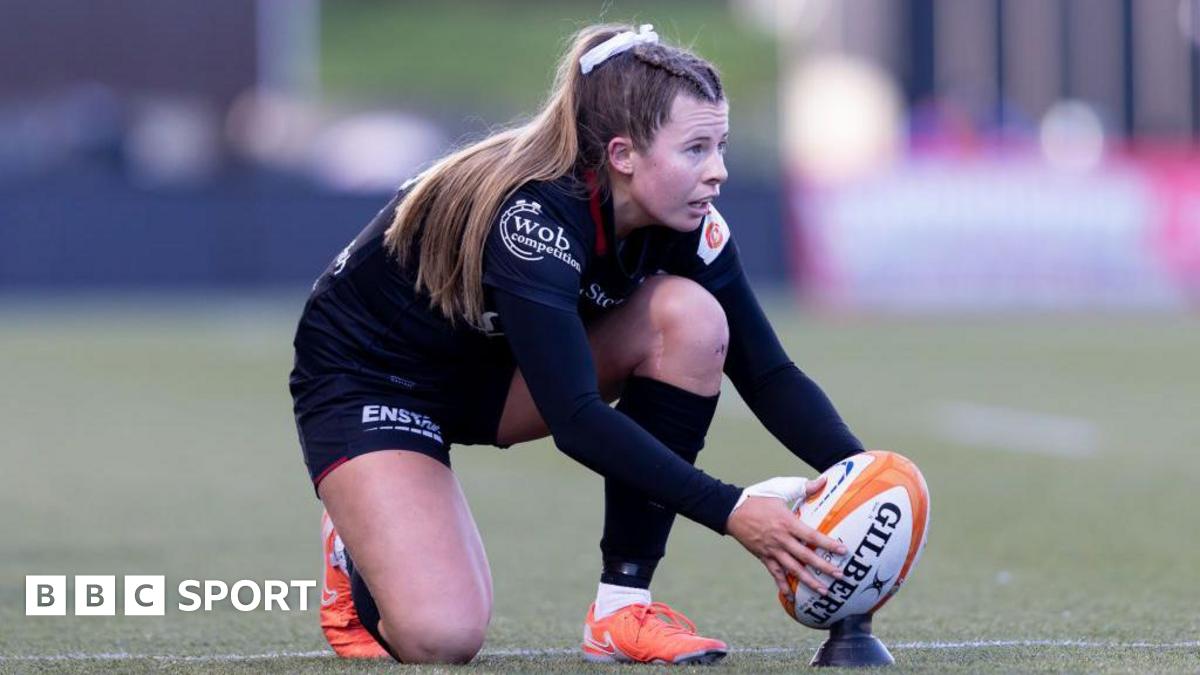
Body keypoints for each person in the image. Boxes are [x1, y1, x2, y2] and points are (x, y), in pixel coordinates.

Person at [291, 23, 864, 665]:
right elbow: (576, 420)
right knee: (440, 638)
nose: (719, 172)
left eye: (721, 145)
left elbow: (767, 373)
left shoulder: (689, 221)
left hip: (500, 371)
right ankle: (354, 543)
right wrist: (733, 511)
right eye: (696, 149)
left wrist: (868, 474)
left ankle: (622, 610)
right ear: (622, 155)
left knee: (692, 318)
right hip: (374, 380)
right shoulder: (531, 216)